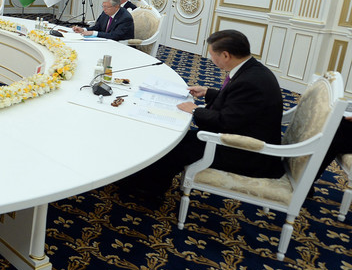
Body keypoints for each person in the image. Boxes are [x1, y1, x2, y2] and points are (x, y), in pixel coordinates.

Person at [121, 30, 284, 204]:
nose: (211, 59)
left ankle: (147, 191)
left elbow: (225, 121)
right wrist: (208, 92)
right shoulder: (251, 69)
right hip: (243, 133)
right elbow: (238, 104)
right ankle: (146, 180)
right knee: (179, 140)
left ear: (226, 55)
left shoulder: (250, 83)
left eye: (212, 55)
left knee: (174, 147)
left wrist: (195, 110)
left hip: (246, 151)